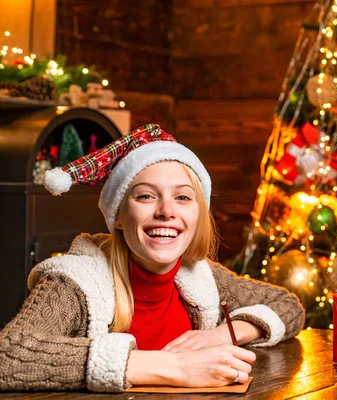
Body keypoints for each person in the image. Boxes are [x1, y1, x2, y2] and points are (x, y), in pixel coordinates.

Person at [0, 124, 305, 392]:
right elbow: (8, 355)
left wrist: (224, 334)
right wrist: (175, 368)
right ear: (117, 214)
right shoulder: (75, 282)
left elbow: (289, 307)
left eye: (183, 197)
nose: (167, 211)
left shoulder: (200, 277)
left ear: (198, 214)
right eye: (146, 196)